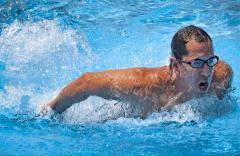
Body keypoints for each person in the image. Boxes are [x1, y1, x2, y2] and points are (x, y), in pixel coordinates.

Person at [42, 25, 233, 118]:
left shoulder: (221, 77)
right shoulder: (145, 86)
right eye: (197, 63)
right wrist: (51, 110)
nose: (207, 71)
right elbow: (88, 81)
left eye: (210, 61)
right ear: (175, 65)